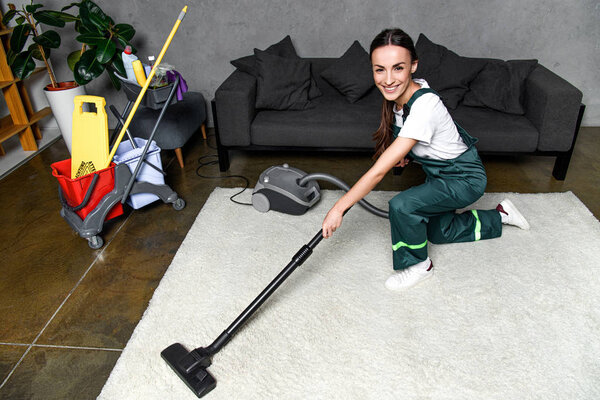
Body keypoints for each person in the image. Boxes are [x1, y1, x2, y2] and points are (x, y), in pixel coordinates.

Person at [321, 28, 529, 291]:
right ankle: (501, 216)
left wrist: (338, 208)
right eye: (379, 70)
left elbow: (377, 172)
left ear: (413, 66)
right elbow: (415, 140)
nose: (387, 79)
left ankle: (420, 267)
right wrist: (406, 155)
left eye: (398, 68)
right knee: (438, 232)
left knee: (402, 206)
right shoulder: (398, 99)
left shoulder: (425, 106)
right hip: (440, 176)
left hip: (464, 179)